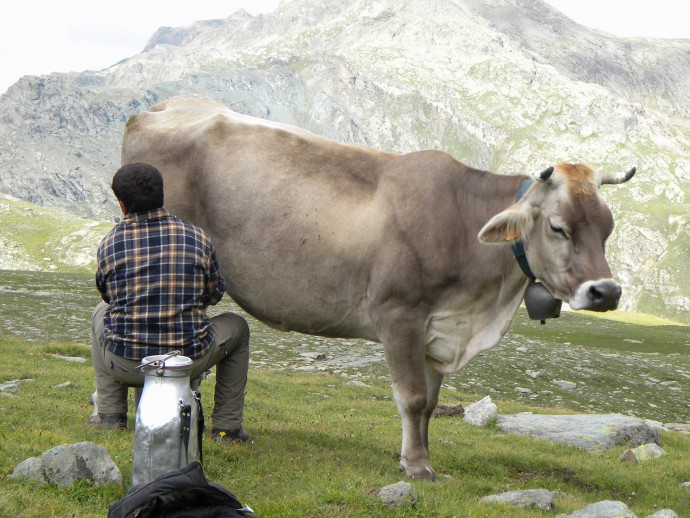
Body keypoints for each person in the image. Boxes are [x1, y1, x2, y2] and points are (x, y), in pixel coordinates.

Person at [90, 162, 250, 443]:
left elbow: (108, 298)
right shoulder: (197, 238)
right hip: (186, 362)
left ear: (122, 205)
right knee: (238, 326)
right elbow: (214, 295)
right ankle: (227, 429)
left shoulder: (109, 244)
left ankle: (110, 415)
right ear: (163, 195)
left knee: (100, 312)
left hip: (127, 364)